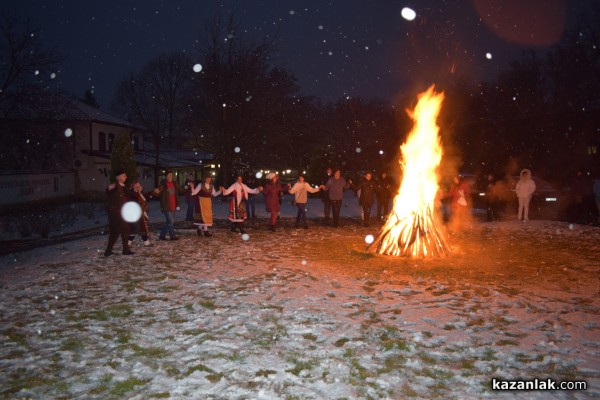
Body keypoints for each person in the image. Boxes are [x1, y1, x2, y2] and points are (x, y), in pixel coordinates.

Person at [104, 169, 134, 256]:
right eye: (124, 176)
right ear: (119, 177)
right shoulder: (115, 185)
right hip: (115, 212)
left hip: (119, 212)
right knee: (126, 229)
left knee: (115, 231)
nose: (126, 177)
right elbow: (109, 191)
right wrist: (109, 189)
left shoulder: (124, 186)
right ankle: (125, 250)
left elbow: (127, 197)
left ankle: (108, 251)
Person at [153, 171, 184, 240]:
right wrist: (156, 191)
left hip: (173, 205)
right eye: (169, 175)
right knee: (171, 221)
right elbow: (158, 192)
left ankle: (162, 235)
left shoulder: (174, 183)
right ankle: (172, 236)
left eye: (171, 176)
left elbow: (181, 190)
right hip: (166, 206)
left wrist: (187, 186)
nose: (170, 177)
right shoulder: (163, 184)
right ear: (166, 176)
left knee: (168, 222)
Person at [127, 181, 154, 247]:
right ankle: (146, 243)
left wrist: (152, 193)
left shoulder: (140, 193)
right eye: (137, 186)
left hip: (141, 213)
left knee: (135, 229)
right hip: (136, 214)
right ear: (134, 187)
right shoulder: (133, 194)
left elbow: (145, 198)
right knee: (141, 227)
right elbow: (135, 201)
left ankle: (128, 243)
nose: (139, 187)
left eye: (139, 186)